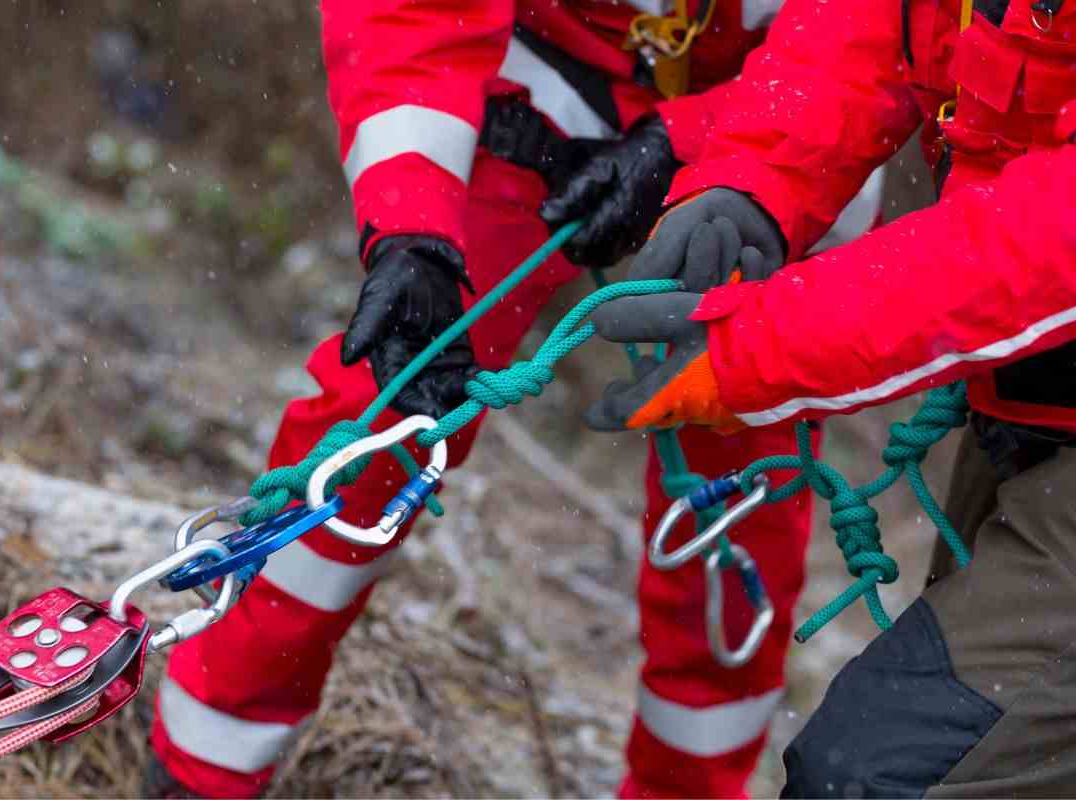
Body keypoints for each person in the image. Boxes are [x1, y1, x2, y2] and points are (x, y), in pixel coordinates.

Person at [143, 2, 884, 797]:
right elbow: (410, 18)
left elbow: (876, 39)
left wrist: (697, 138)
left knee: (740, 492)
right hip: (537, 78)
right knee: (385, 414)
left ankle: (690, 787)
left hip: (789, 120)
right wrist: (409, 230)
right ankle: (203, 762)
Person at [581, 0, 1076, 793]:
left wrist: (747, 357)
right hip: (1031, 408)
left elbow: (1043, 244)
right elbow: (871, 26)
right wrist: (753, 183)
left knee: (878, 776)